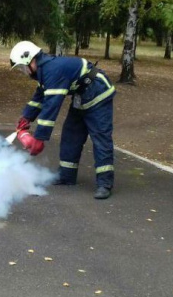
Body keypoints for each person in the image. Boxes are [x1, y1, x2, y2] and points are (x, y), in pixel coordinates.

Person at [10, 41, 116, 200]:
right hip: (82, 95)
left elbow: (51, 106)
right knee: (70, 134)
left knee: (100, 138)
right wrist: (26, 117)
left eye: (22, 67)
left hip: (98, 93)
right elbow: (39, 97)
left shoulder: (52, 71)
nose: (24, 71)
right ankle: (67, 176)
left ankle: (104, 184)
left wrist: (39, 138)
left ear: (30, 59)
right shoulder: (45, 71)